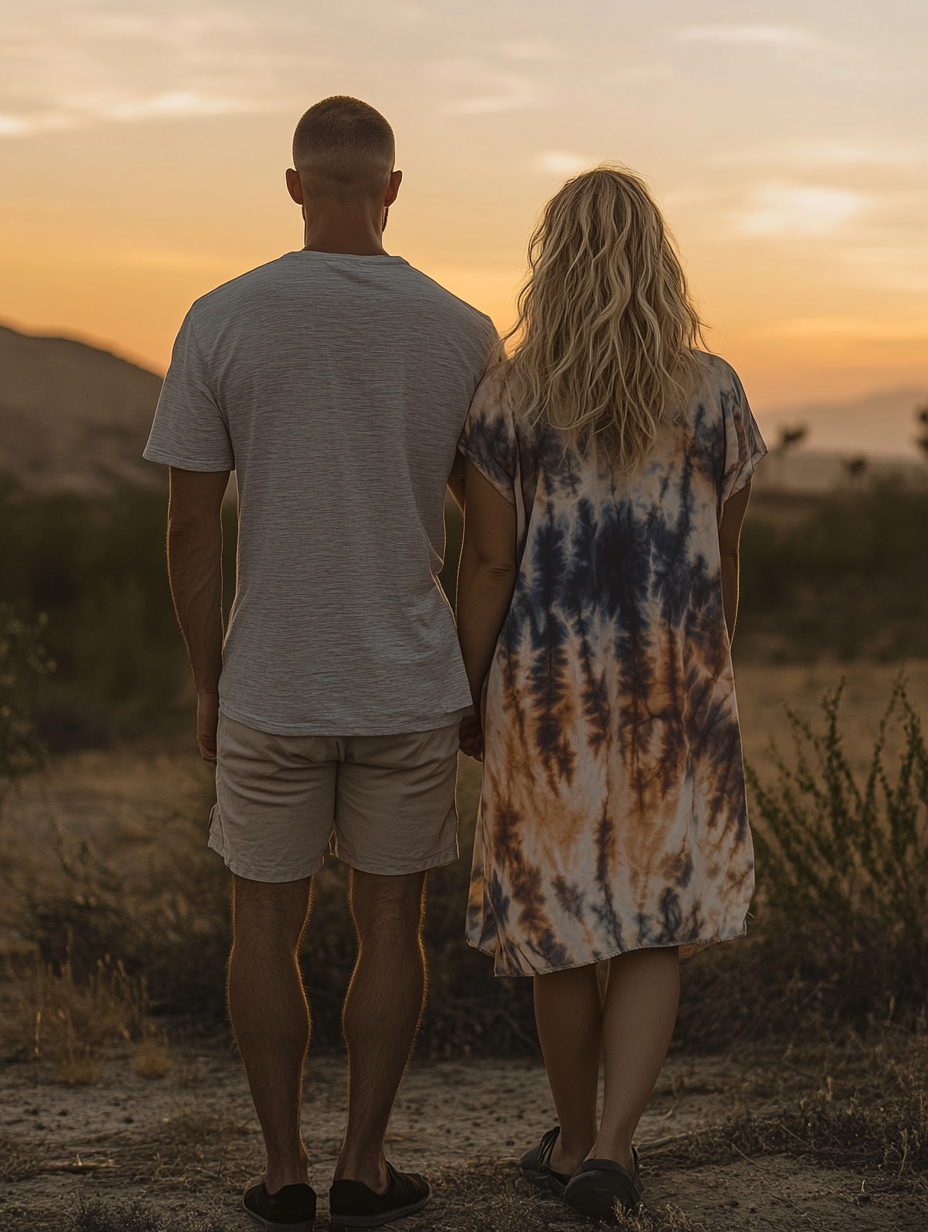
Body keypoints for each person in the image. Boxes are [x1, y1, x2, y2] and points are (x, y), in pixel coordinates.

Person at [143, 96, 498, 1232]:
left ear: (294, 186)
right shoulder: (462, 330)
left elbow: (191, 529)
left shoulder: (220, 317)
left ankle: (284, 1170)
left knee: (264, 929)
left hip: (271, 679)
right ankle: (365, 1167)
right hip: (406, 678)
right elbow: (487, 524)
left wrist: (209, 675)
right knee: (392, 929)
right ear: (394, 188)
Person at [454, 165, 765, 1224]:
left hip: (546, 696)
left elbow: (489, 563)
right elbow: (721, 562)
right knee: (650, 923)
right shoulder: (713, 387)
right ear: (656, 261)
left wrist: (467, 688)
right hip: (677, 688)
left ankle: (575, 1136)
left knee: (559, 918)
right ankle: (615, 1148)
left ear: (554, 259)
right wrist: (709, 677)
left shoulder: (507, 391)